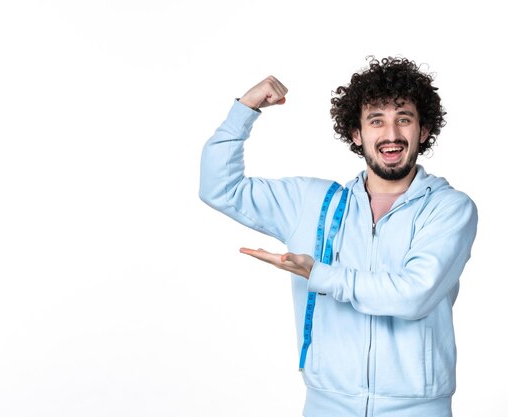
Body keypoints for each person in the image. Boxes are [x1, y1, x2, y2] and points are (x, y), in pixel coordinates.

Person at [198, 57, 478, 417]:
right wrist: (245, 109)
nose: (390, 134)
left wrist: (321, 274)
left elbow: (413, 295)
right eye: (376, 121)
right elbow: (219, 188)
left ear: (423, 131)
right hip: (326, 406)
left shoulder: (449, 208)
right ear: (356, 134)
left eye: (403, 119)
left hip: (417, 409)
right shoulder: (312, 203)